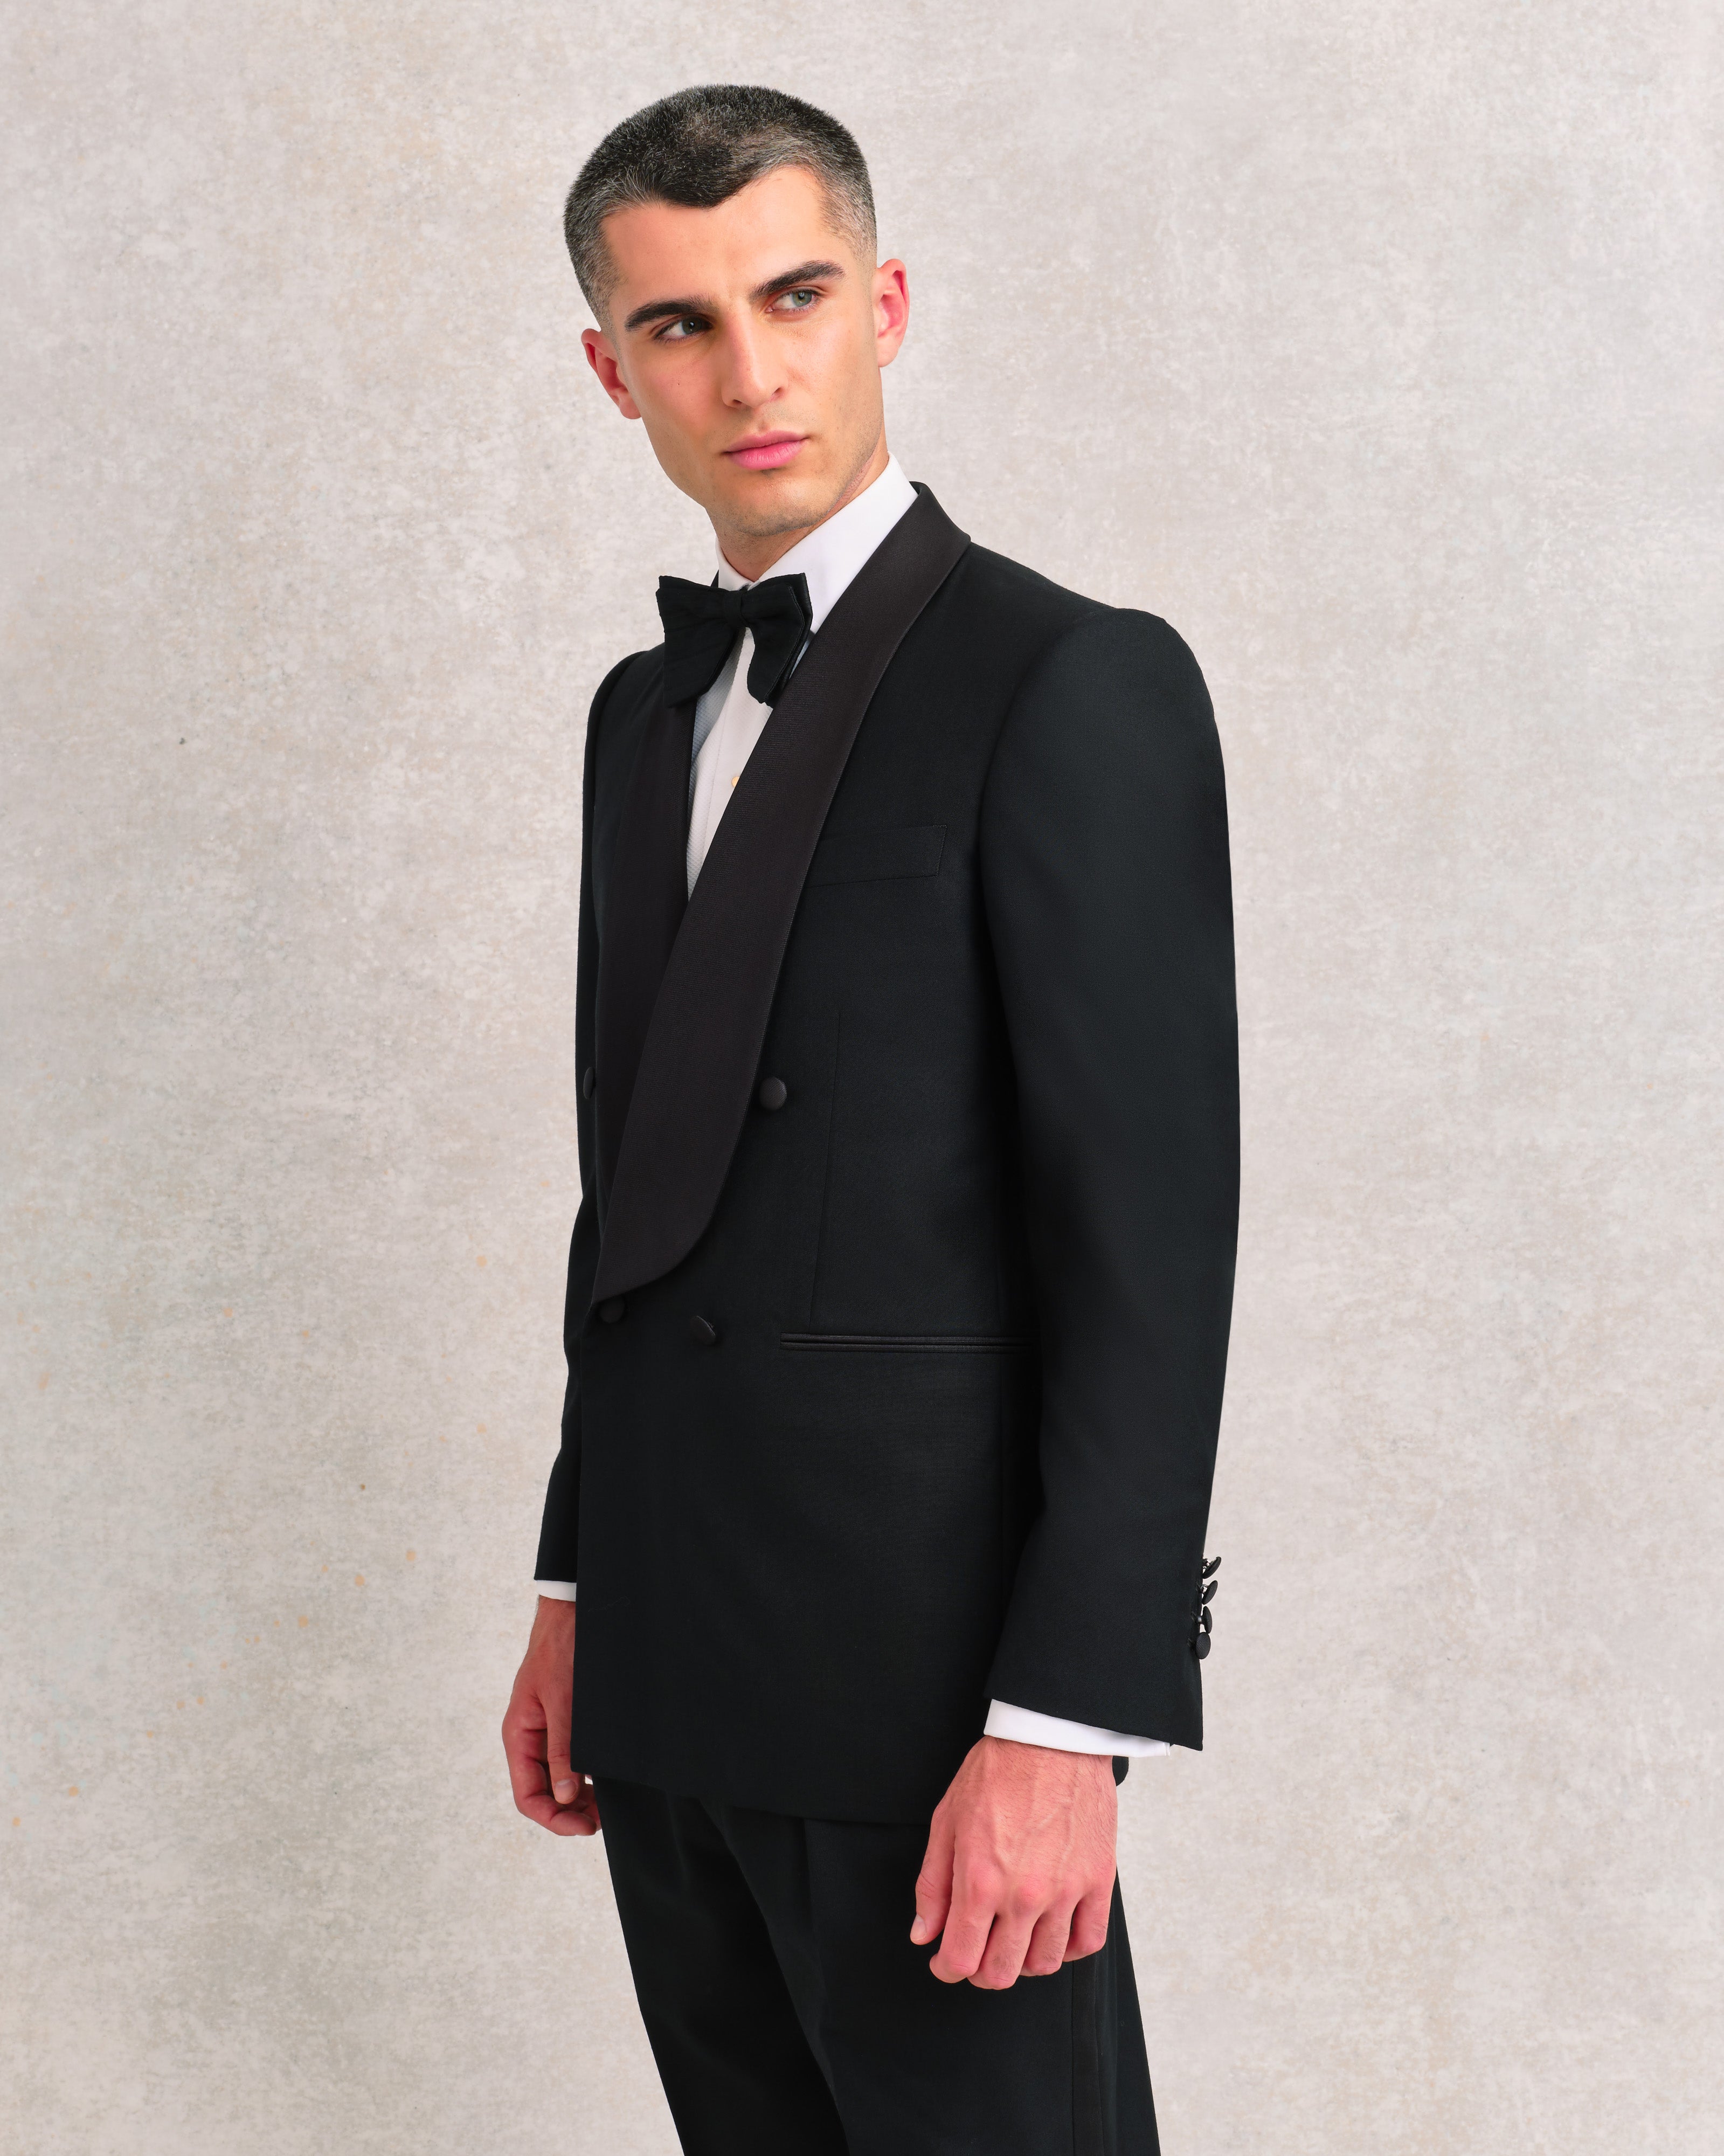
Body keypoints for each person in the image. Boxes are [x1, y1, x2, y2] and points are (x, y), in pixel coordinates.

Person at [500, 84, 1238, 2156]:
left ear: (886, 304)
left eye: (797, 296)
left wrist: (1067, 1723)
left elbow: (1149, 1257)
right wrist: (579, 1581)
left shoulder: (1073, 680)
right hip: (672, 1664)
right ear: (611, 368)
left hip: (934, 1710)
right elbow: (638, 1202)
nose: (751, 373)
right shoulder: (643, 716)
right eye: (680, 324)